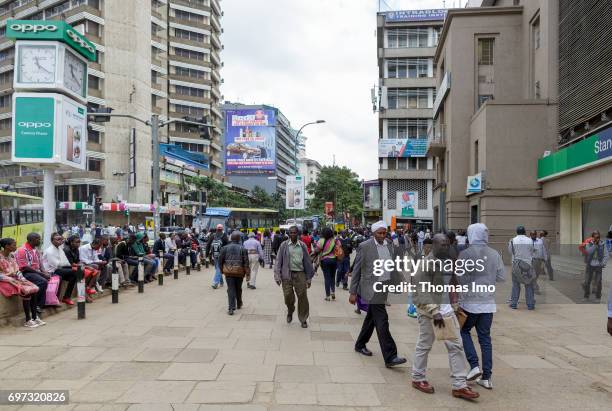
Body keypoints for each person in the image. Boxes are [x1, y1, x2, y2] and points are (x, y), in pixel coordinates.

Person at [411, 233, 479, 400]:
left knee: (456, 346)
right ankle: (418, 378)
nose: (446, 247)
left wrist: (455, 305)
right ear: (433, 245)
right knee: (425, 345)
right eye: (442, 244)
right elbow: (420, 289)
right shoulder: (426, 263)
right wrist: (435, 311)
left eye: (448, 244)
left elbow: (449, 285)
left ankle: (459, 385)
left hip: (447, 311)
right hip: (430, 313)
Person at [349, 220, 407, 368]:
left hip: (384, 287)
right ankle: (390, 356)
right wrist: (353, 292)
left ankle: (360, 344)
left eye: (384, 232)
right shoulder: (364, 246)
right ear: (373, 233)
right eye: (379, 233)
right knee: (382, 321)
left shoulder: (389, 244)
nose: (382, 235)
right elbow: (357, 270)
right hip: (370, 289)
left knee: (371, 319)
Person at [457, 223, 505, 390]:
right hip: (488, 303)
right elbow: (501, 277)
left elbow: (461, 278)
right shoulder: (495, 254)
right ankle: (487, 377)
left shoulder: (465, 254)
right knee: (485, 339)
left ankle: (474, 365)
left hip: (470, 302)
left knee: (463, 331)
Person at [274, 225, 315, 328]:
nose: (292, 234)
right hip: (286, 274)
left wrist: (309, 278)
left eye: (294, 232)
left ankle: (303, 318)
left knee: (302, 297)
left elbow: (307, 262)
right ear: (288, 234)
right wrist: (277, 275)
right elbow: (278, 261)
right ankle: (290, 309)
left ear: (298, 234)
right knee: (288, 296)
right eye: (291, 232)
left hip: (300, 274)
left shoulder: (302, 246)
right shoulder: (284, 245)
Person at [0, 238, 42, 328]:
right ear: (7, 246)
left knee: (33, 288)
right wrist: (11, 278)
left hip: (15, 279)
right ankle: (28, 319)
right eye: (14, 245)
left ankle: (35, 317)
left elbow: (17, 269)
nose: (16, 246)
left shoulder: (11, 256)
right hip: (5, 281)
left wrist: (22, 279)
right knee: (25, 290)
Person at [15, 232, 49, 313]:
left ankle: (41, 305)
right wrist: (41, 274)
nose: (40, 241)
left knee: (51, 278)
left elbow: (40, 264)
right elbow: (24, 267)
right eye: (38, 239)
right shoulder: (22, 250)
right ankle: (35, 305)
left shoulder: (36, 250)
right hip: (25, 273)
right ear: (31, 240)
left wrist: (45, 272)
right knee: (42, 281)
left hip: (35, 272)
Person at [218, 231, 250, 315]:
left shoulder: (224, 248)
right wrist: (247, 274)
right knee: (238, 288)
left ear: (231, 238)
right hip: (239, 272)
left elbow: (220, 260)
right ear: (239, 239)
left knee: (231, 289)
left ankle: (231, 308)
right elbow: (246, 262)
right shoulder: (243, 248)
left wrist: (221, 270)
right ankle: (239, 303)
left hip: (228, 272)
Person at [42, 232, 77, 306]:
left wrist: (71, 266)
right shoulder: (50, 251)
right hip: (51, 271)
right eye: (57, 239)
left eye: (60, 239)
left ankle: (66, 297)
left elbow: (66, 262)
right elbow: (57, 264)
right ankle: (60, 298)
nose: (60, 241)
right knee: (74, 272)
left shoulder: (60, 249)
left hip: (59, 269)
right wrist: (70, 267)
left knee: (75, 274)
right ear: (52, 241)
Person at [508, 226, 536, 310]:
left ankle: (513, 304)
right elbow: (531, 251)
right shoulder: (530, 240)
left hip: (516, 265)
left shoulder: (512, 240)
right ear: (524, 232)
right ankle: (530, 305)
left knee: (515, 285)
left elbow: (511, 252)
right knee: (529, 285)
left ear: (517, 232)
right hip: (527, 264)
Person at [583, 231, 608, 301]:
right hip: (590, 265)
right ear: (592, 237)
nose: (597, 238)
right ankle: (586, 296)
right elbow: (589, 252)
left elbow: (606, 255)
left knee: (598, 281)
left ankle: (598, 297)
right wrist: (594, 245)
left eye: (598, 237)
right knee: (587, 281)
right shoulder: (588, 244)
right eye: (595, 237)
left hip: (598, 265)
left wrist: (603, 263)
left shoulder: (603, 244)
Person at [316, 227, 340, 301]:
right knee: (333, 277)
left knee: (327, 278)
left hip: (325, 260)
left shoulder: (321, 241)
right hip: (334, 260)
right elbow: (339, 249)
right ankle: (333, 292)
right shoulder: (336, 240)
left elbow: (317, 250)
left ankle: (328, 296)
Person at [206, 224, 229, 289]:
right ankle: (221, 282)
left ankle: (215, 283)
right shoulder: (224, 236)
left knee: (217, 268)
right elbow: (227, 245)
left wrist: (207, 255)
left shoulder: (212, 236)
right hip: (222, 255)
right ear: (222, 229)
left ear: (216, 229)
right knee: (218, 268)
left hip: (215, 254)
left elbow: (208, 245)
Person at [530, 230, 545, 295]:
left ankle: (533, 286)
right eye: (532, 234)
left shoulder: (540, 241)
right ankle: (536, 288)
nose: (534, 235)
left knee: (537, 275)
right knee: (533, 275)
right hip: (531, 260)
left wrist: (544, 258)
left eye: (535, 234)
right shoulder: (528, 241)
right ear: (530, 235)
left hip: (538, 260)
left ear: (536, 234)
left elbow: (543, 249)